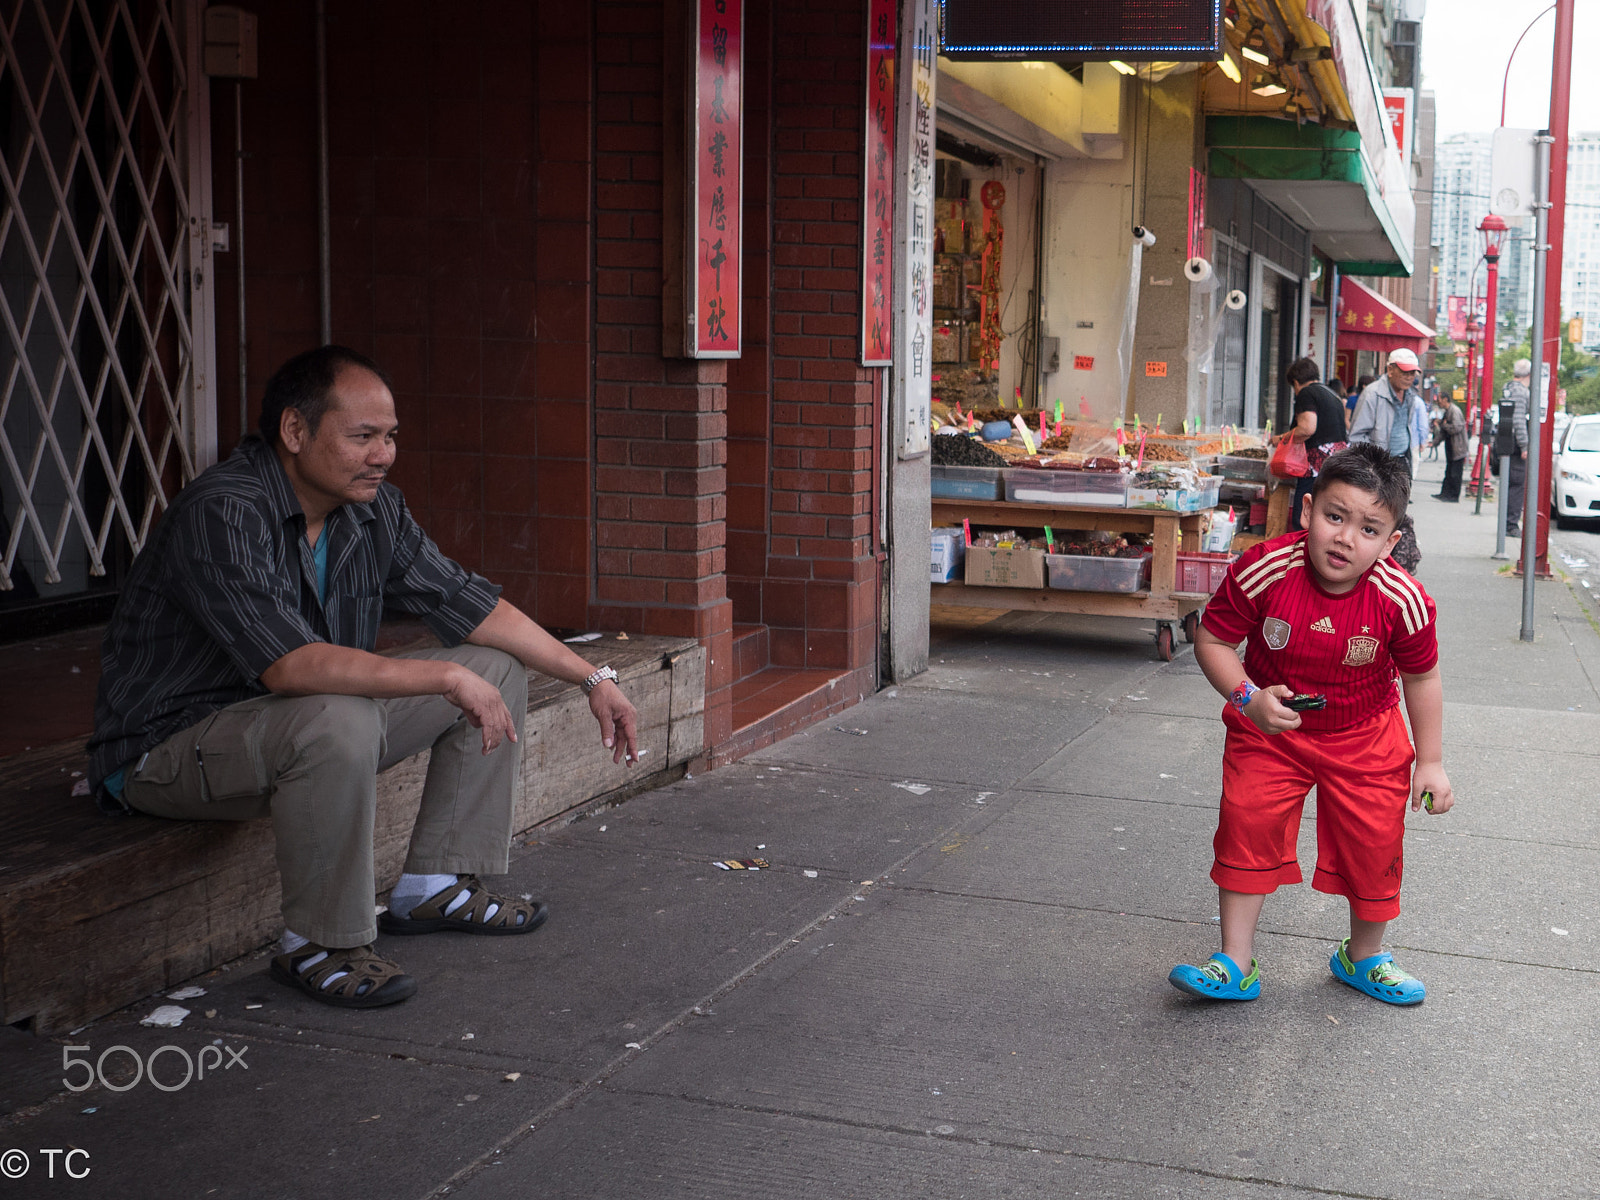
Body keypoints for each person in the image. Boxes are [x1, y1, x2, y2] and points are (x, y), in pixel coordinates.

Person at [90, 346, 640, 1009]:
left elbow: (475, 607)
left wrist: (592, 680)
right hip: (169, 748)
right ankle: (318, 944)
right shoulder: (225, 509)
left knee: (492, 665)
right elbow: (290, 666)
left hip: (291, 726)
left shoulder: (373, 511)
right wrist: (440, 676)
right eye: (363, 437)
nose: (383, 455)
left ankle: (436, 886)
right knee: (347, 712)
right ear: (295, 431)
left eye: (390, 437)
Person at [1168, 442, 1453, 1005]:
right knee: (1246, 822)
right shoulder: (1263, 569)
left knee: (1375, 841)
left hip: (1367, 734)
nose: (1346, 537)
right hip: (1270, 728)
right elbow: (1213, 638)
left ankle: (1364, 957)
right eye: (1335, 516)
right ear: (1307, 511)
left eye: (1369, 529)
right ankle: (1234, 961)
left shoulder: (1405, 601)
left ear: (1391, 542)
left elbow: (1422, 679)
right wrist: (1247, 696)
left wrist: (1432, 762)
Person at [1274, 357, 1348, 532]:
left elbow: (1307, 428)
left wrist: (1280, 438)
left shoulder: (1307, 393)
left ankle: (1302, 556)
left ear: (1296, 382)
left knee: (1303, 518)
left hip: (1316, 465)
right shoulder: (1333, 395)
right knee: (1326, 514)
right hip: (1337, 463)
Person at [1348, 349, 1428, 476]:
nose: (1409, 377)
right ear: (1390, 370)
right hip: (1379, 464)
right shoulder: (1372, 394)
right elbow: (1357, 437)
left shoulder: (1411, 395)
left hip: (1403, 460)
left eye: (1412, 373)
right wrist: (1370, 464)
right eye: (1404, 372)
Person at [1501, 359, 1532, 537]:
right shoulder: (1521, 392)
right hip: (1514, 441)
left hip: (1505, 438)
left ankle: (1506, 521)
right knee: (1517, 484)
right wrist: (1525, 445)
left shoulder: (1508, 387)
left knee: (1509, 481)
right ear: (1528, 375)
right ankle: (1511, 524)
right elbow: (1519, 420)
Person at [1432, 395, 1469, 502]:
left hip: (1458, 447)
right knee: (1449, 471)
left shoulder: (1455, 411)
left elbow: (1456, 428)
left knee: (1455, 472)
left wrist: (1444, 425)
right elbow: (1443, 433)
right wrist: (1434, 443)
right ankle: (1445, 493)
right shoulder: (1447, 412)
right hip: (1451, 446)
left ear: (1445, 399)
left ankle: (1453, 496)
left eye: (1439, 400)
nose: (1438, 402)